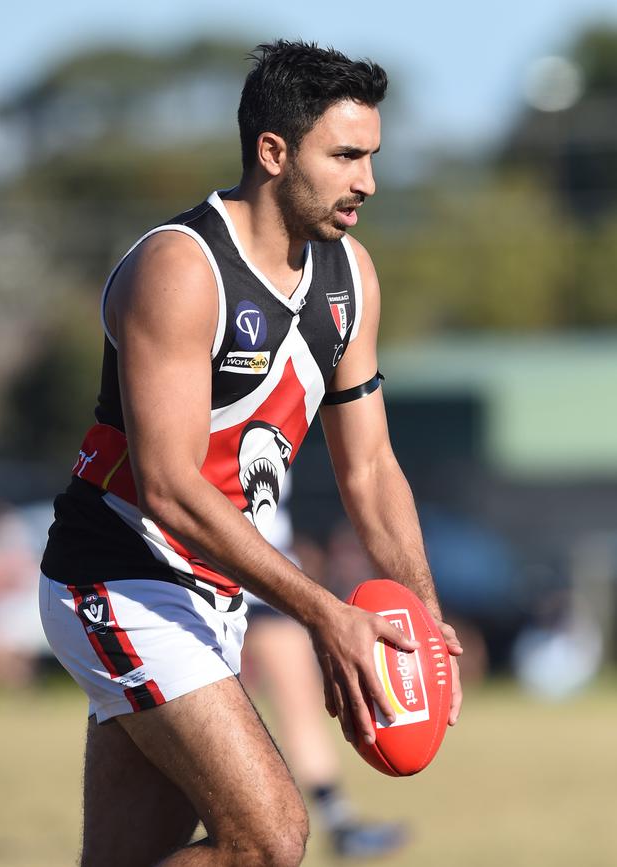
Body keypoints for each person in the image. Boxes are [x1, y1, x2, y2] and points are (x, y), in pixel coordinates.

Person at [39, 40, 463, 867]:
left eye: (372, 157)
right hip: (118, 575)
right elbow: (167, 486)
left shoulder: (350, 277)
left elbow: (369, 469)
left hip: (213, 596)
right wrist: (323, 612)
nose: (367, 181)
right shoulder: (181, 267)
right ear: (273, 152)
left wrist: (424, 613)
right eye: (345, 156)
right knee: (269, 839)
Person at [241, 480, 408, 859]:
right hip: (191, 570)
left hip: (270, 575)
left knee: (302, 705)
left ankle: (339, 823)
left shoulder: (287, 422)